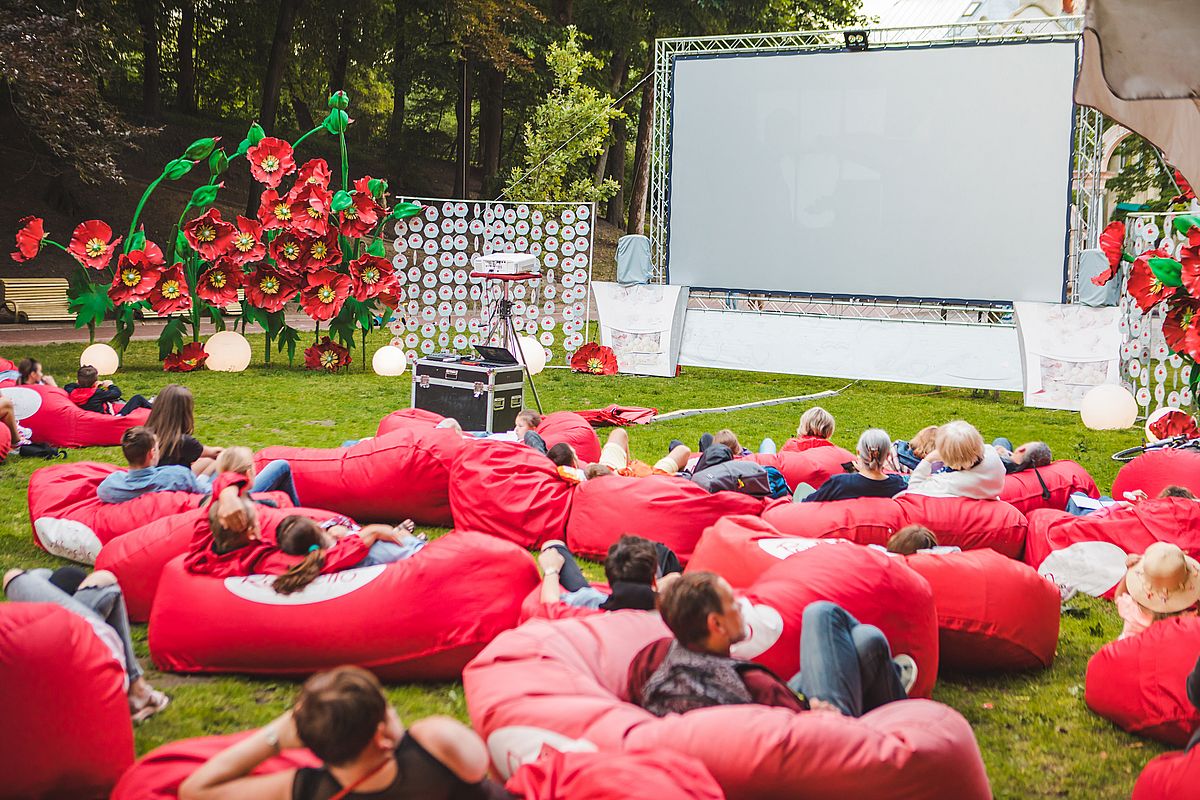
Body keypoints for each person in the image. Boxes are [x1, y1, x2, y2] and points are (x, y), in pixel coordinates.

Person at [179, 665, 513, 800]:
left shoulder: (307, 789)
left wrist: (276, 737)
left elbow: (196, 789)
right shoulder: (435, 742)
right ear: (381, 736)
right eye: (389, 707)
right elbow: (484, 762)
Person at [628, 572, 917, 718]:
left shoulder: (654, 656)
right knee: (830, 618)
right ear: (716, 624)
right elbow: (804, 738)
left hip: (788, 711)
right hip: (826, 734)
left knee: (864, 643)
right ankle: (904, 715)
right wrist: (819, 715)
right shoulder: (757, 685)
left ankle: (885, 672)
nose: (742, 607)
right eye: (733, 604)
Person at [3, 566, 169, 722]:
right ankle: (138, 687)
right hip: (93, 668)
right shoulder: (102, 648)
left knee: (23, 576)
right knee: (101, 578)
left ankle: (137, 687)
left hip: (72, 668)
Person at [184, 496, 407, 582]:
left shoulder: (203, 544)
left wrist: (228, 496)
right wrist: (372, 532)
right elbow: (324, 560)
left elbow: (211, 509)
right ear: (252, 532)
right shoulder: (264, 560)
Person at [274, 515, 426, 594]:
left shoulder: (320, 561)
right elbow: (379, 533)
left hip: (393, 561)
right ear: (319, 529)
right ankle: (410, 536)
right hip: (414, 555)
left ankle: (406, 534)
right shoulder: (354, 545)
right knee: (399, 535)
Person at [536, 534, 682, 611]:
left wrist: (551, 570)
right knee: (660, 551)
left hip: (602, 603)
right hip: (650, 597)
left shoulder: (589, 602)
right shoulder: (669, 616)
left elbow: (550, 605)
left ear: (609, 578)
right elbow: (675, 578)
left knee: (553, 547)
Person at [1112, 541, 1200, 640]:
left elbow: (1119, 596)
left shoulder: (1131, 609)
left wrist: (1129, 571)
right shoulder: (1185, 620)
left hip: (1128, 648)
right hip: (1164, 653)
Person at [98, 426, 208, 503]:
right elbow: (206, 492)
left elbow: (101, 492)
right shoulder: (177, 475)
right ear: (152, 453)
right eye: (157, 448)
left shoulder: (110, 485)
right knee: (211, 467)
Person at [901, 420, 1005, 501]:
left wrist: (928, 459)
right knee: (1002, 441)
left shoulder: (950, 483)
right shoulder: (991, 454)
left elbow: (913, 490)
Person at [801, 429, 906, 502]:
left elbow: (807, 503)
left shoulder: (839, 483)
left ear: (859, 453)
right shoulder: (899, 485)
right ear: (888, 455)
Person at [146, 384, 222, 474]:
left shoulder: (144, 436)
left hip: (150, 480)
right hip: (174, 483)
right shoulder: (183, 442)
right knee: (214, 462)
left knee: (206, 461)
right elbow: (216, 453)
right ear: (185, 413)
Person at [215, 446, 301, 507]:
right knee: (281, 465)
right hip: (247, 498)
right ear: (249, 474)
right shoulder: (262, 504)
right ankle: (298, 512)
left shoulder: (212, 493)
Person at [63, 365, 153, 416]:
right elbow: (116, 393)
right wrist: (110, 385)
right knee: (137, 398)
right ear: (95, 382)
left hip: (88, 416)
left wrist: (81, 385)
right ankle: (156, 408)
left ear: (78, 381)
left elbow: (68, 386)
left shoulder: (72, 392)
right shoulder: (98, 393)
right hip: (108, 418)